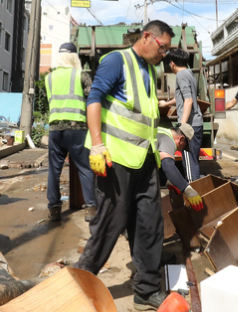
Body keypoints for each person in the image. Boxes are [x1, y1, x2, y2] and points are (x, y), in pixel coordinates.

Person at [75, 20, 174, 311]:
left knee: (149, 224)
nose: (164, 54)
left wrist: (162, 109)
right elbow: (94, 100)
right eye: (162, 46)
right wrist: (96, 144)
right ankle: (77, 282)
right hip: (115, 157)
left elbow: (138, 113)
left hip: (144, 159)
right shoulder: (118, 61)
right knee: (110, 223)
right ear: (147, 37)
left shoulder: (149, 69)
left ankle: (146, 290)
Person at [45, 42, 96, 222]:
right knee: (85, 169)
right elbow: (92, 101)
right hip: (77, 128)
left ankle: (54, 209)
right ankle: (90, 208)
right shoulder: (81, 76)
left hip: (55, 129)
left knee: (54, 170)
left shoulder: (49, 78)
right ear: (75, 57)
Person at [158, 48, 203, 183]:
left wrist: (182, 126)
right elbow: (183, 97)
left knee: (189, 165)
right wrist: (166, 104)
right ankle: (196, 190)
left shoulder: (180, 76)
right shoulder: (188, 73)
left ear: (172, 63)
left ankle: (193, 193)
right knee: (192, 162)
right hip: (196, 123)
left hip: (189, 125)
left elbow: (188, 100)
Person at [157, 123, 203, 211]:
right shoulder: (167, 139)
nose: (181, 149)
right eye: (184, 146)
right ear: (181, 139)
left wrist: (168, 180)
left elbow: (157, 162)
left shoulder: (161, 131)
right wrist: (187, 189)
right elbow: (168, 166)